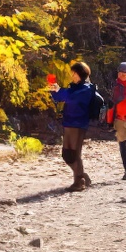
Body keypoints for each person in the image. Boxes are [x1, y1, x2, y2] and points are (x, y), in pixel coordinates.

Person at [49, 62, 96, 191]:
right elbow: (61, 98)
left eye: (74, 73)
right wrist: (54, 90)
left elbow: (70, 98)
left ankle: (79, 181)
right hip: (69, 122)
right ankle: (82, 177)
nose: (72, 75)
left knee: (74, 154)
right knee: (67, 154)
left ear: (80, 73)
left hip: (78, 124)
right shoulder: (74, 87)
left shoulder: (86, 88)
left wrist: (60, 90)